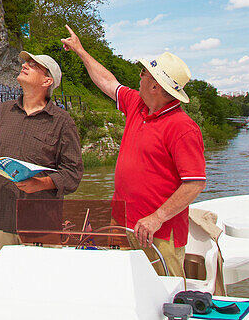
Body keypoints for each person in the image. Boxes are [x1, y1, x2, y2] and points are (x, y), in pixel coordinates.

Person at [60, 25, 205, 277]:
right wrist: (80, 50)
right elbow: (107, 82)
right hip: (123, 226)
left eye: (143, 73)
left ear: (155, 87)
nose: (139, 77)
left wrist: (156, 218)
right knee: (126, 290)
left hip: (158, 234)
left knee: (163, 298)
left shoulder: (183, 128)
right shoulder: (138, 104)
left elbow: (194, 184)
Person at [0, 51, 83, 265]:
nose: (25, 65)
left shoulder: (63, 122)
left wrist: (41, 183)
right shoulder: (4, 111)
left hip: (42, 225)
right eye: (26, 61)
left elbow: (73, 173)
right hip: (2, 219)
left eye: (34, 64)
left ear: (48, 81)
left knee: (40, 289)